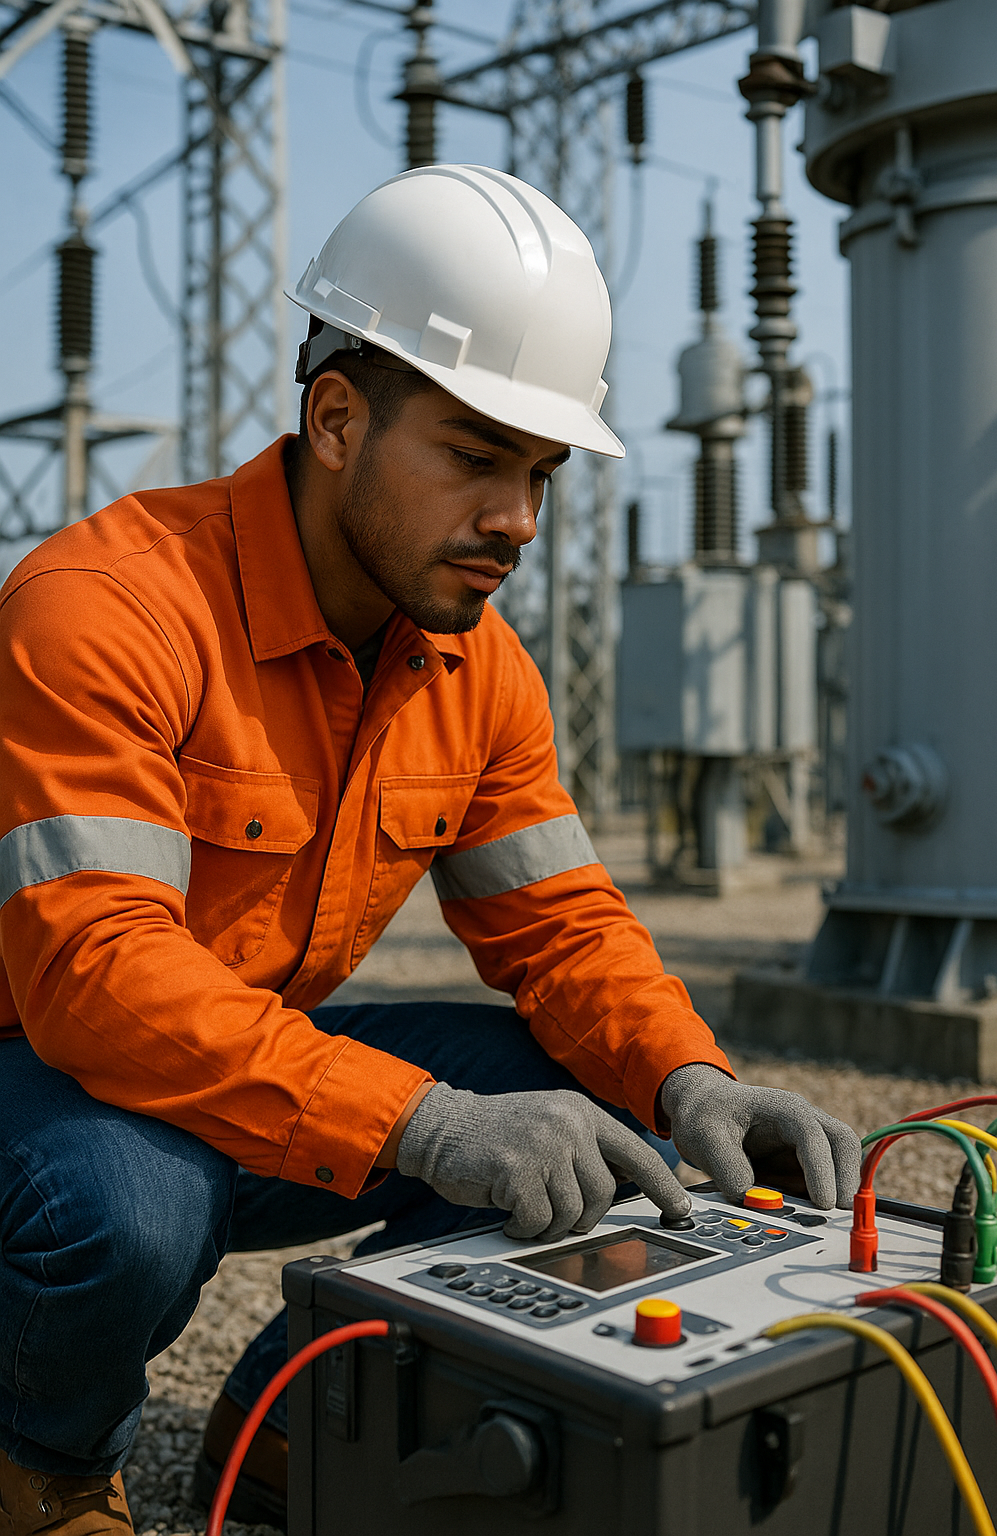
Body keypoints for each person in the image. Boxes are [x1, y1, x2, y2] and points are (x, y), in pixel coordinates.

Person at [0, 165, 860, 1536]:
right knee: (130, 1211)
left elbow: (565, 928)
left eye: (540, 471)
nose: (519, 517)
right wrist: (430, 1125)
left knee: (602, 1103)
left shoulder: (476, 667)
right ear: (336, 418)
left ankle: (300, 1414)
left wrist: (694, 1077)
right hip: (35, 1073)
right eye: (475, 456)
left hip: (237, 1061)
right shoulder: (107, 607)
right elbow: (98, 980)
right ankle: (44, 1464)